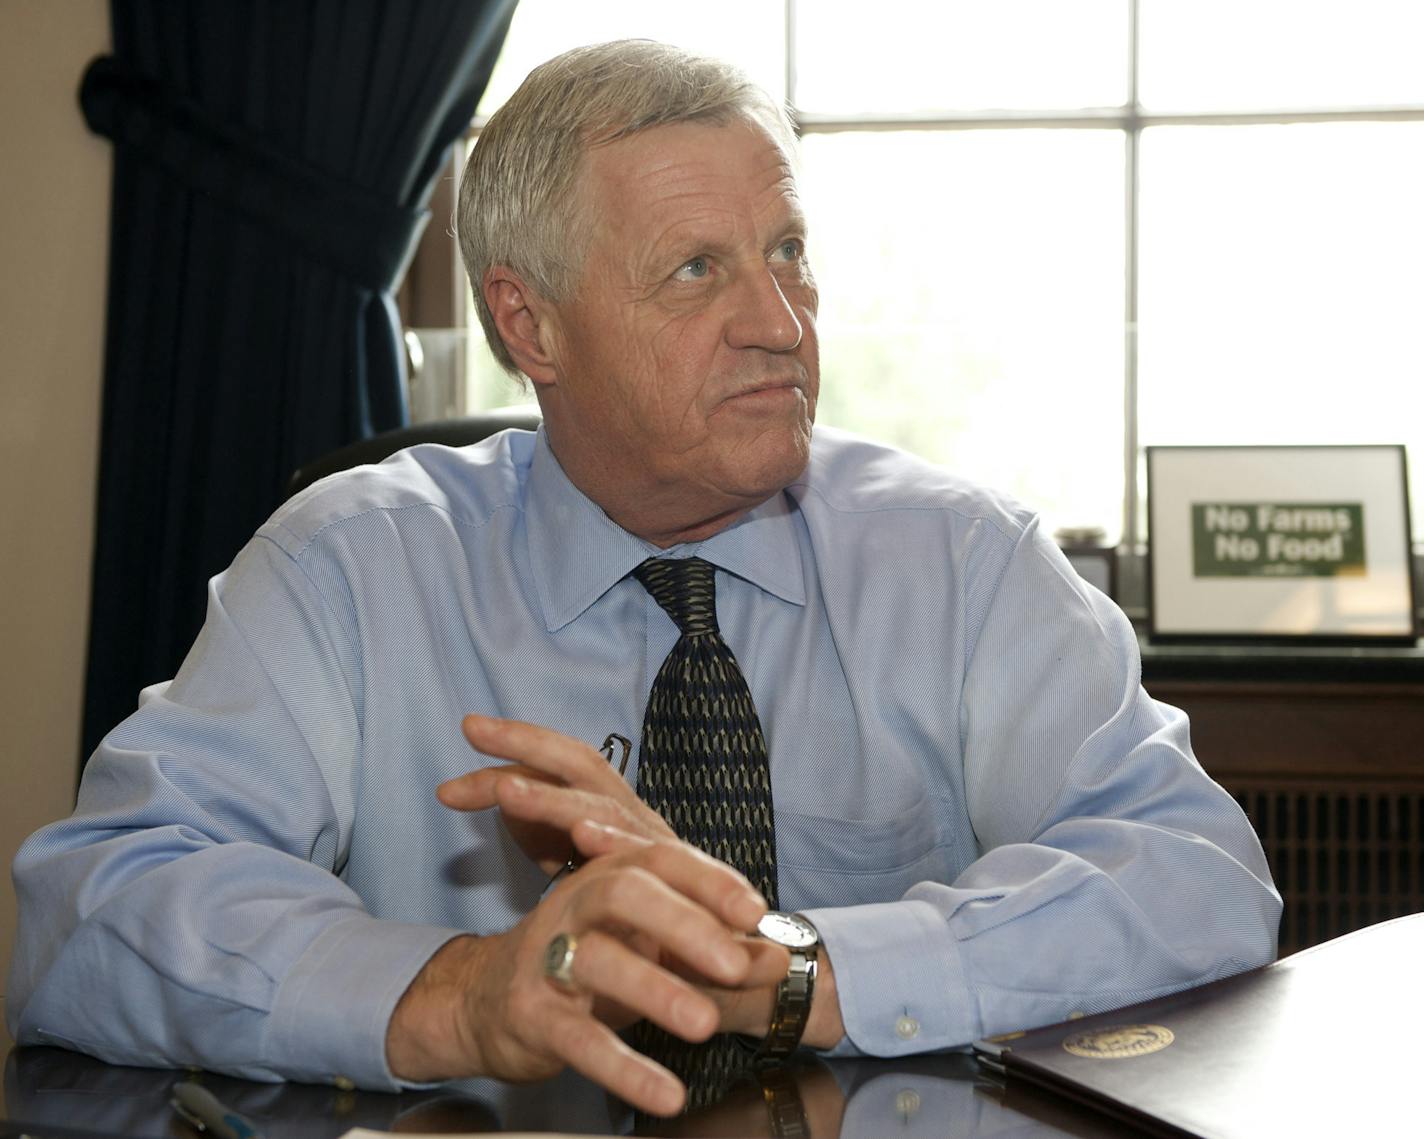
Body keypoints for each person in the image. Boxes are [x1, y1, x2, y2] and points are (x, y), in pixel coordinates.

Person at [7, 39, 1280, 1119]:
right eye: (697, 269)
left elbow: (1194, 873)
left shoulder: (960, 559)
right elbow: (87, 908)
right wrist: (459, 992)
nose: (780, 322)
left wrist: (800, 969)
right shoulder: (353, 563)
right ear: (529, 324)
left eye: (786, 250)